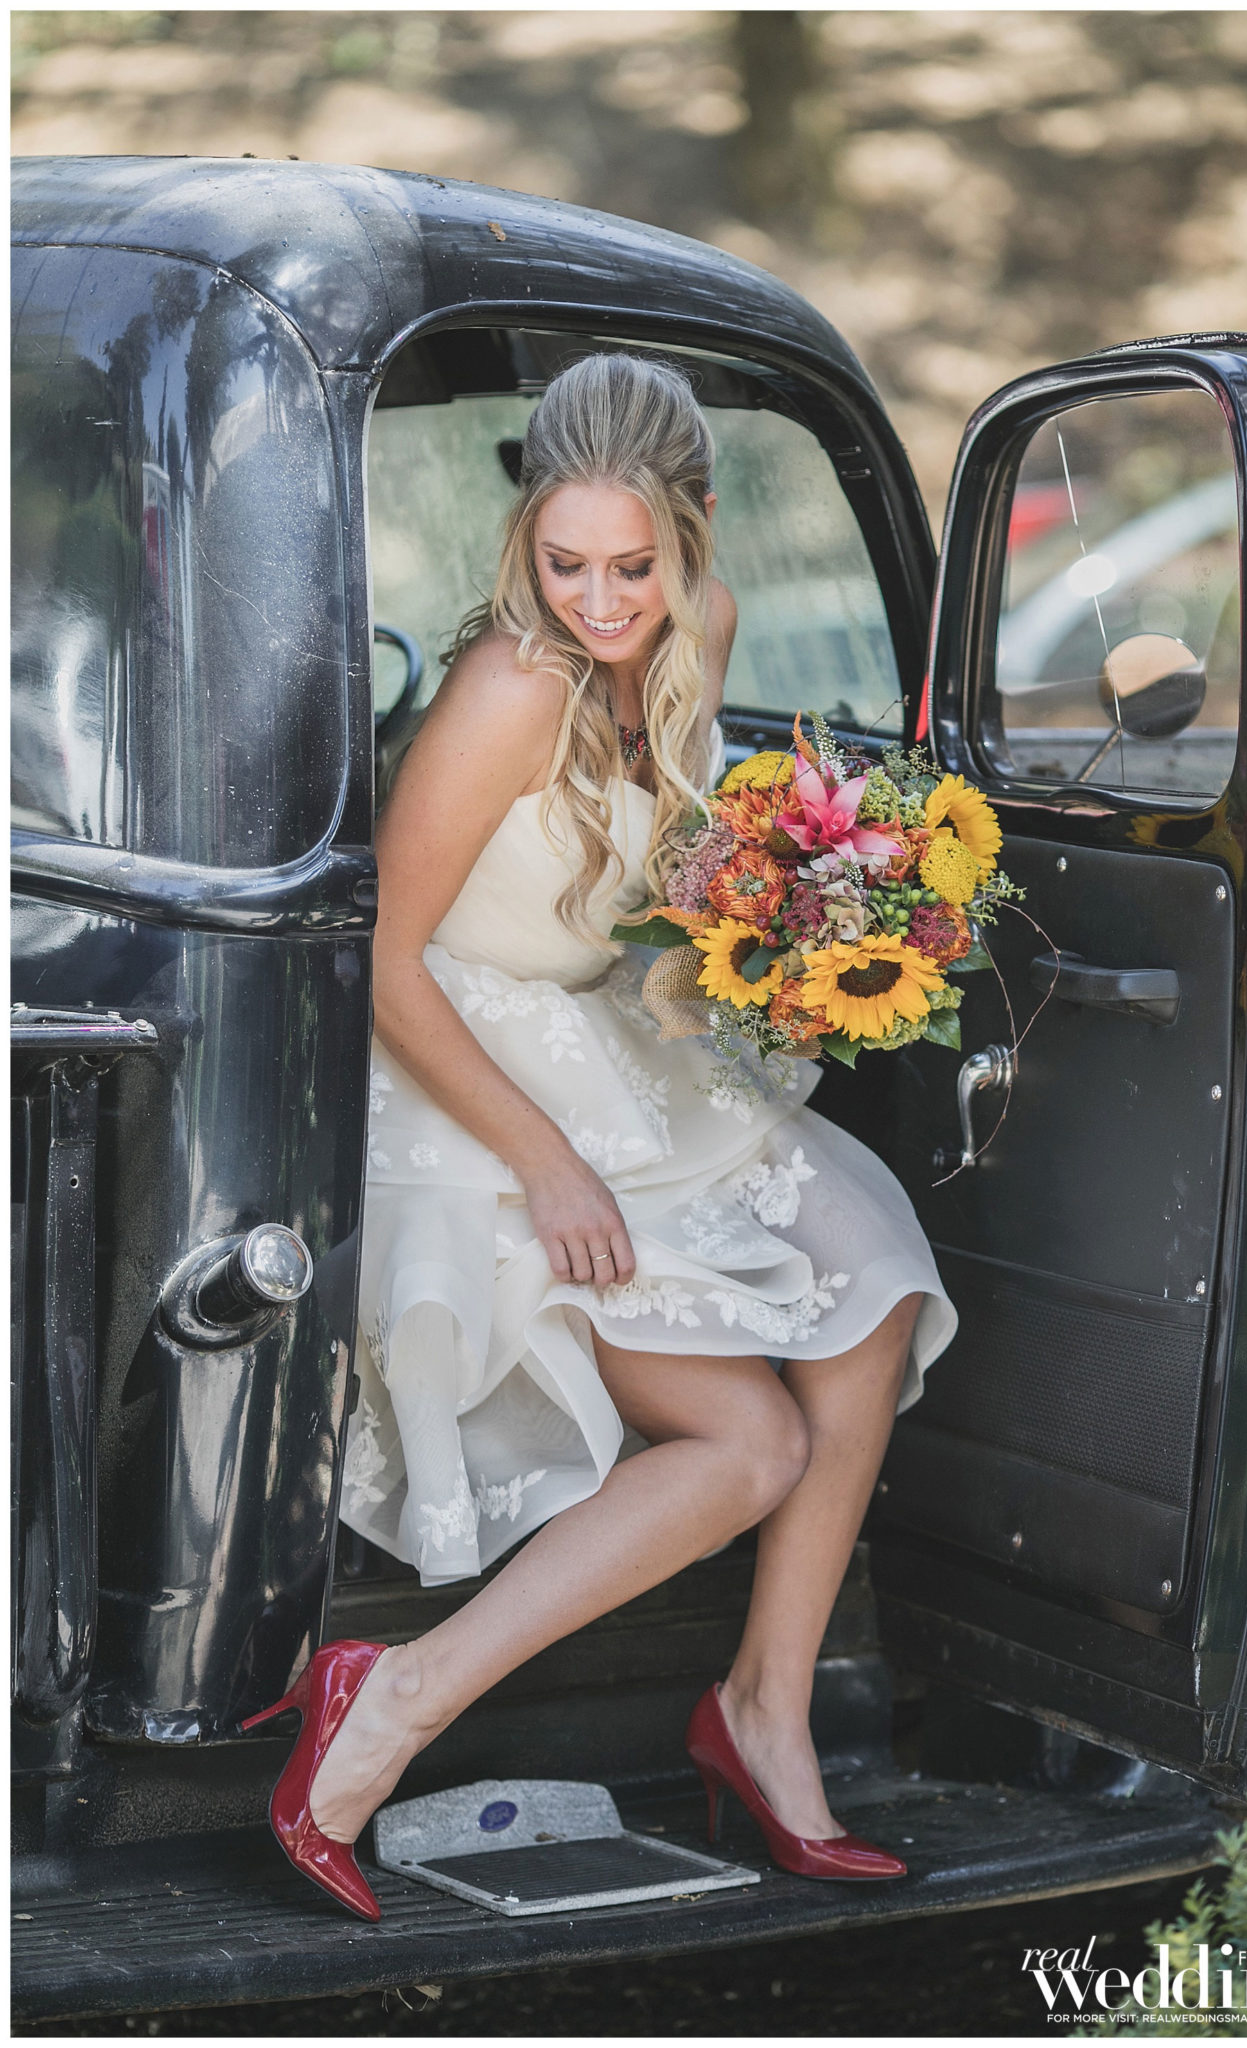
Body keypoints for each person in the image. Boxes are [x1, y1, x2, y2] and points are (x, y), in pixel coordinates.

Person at [241, 352, 957, 1920]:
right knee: (750, 1445)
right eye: (565, 564)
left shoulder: (705, 629)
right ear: (529, 540)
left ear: (691, 530)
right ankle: (394, 1696)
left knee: (880, 1286)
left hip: (611, 1038)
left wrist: (775, 931)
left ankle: (765, 1705)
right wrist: (550, 1160)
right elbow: (387, 962)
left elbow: (658, 882)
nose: (600, 602)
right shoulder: (513, 687)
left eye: (632, 566)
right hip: (466, 1078)